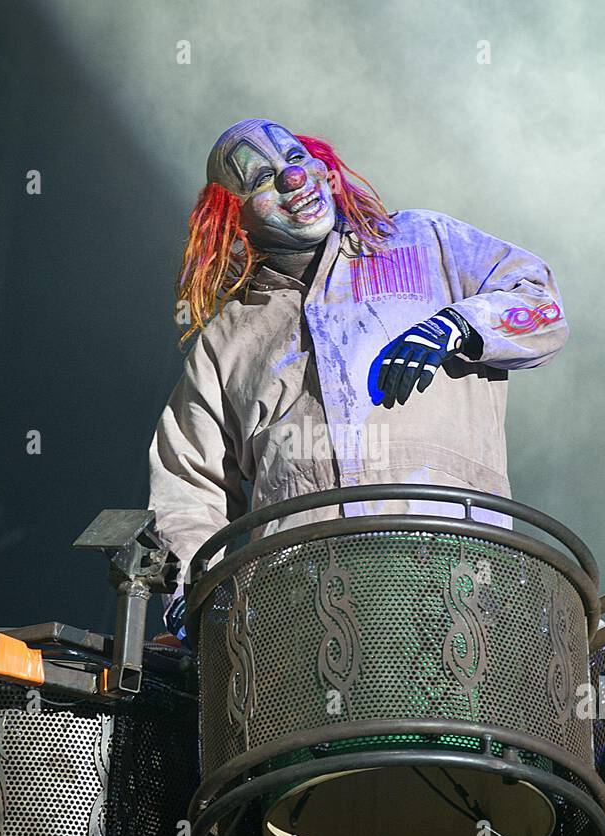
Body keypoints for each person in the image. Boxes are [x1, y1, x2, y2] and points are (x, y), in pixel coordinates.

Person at [149, 118, 569, 642]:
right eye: (260, 179)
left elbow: (541, 304)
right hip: (303, 610)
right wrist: (191, 602)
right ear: (231, 217)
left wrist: (458, 325)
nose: (292, 180)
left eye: (296, 159)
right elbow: (189, 481)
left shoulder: (425, 240)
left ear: (322, 169)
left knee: (456, 724)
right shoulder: (227, 341)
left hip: (457, 579)